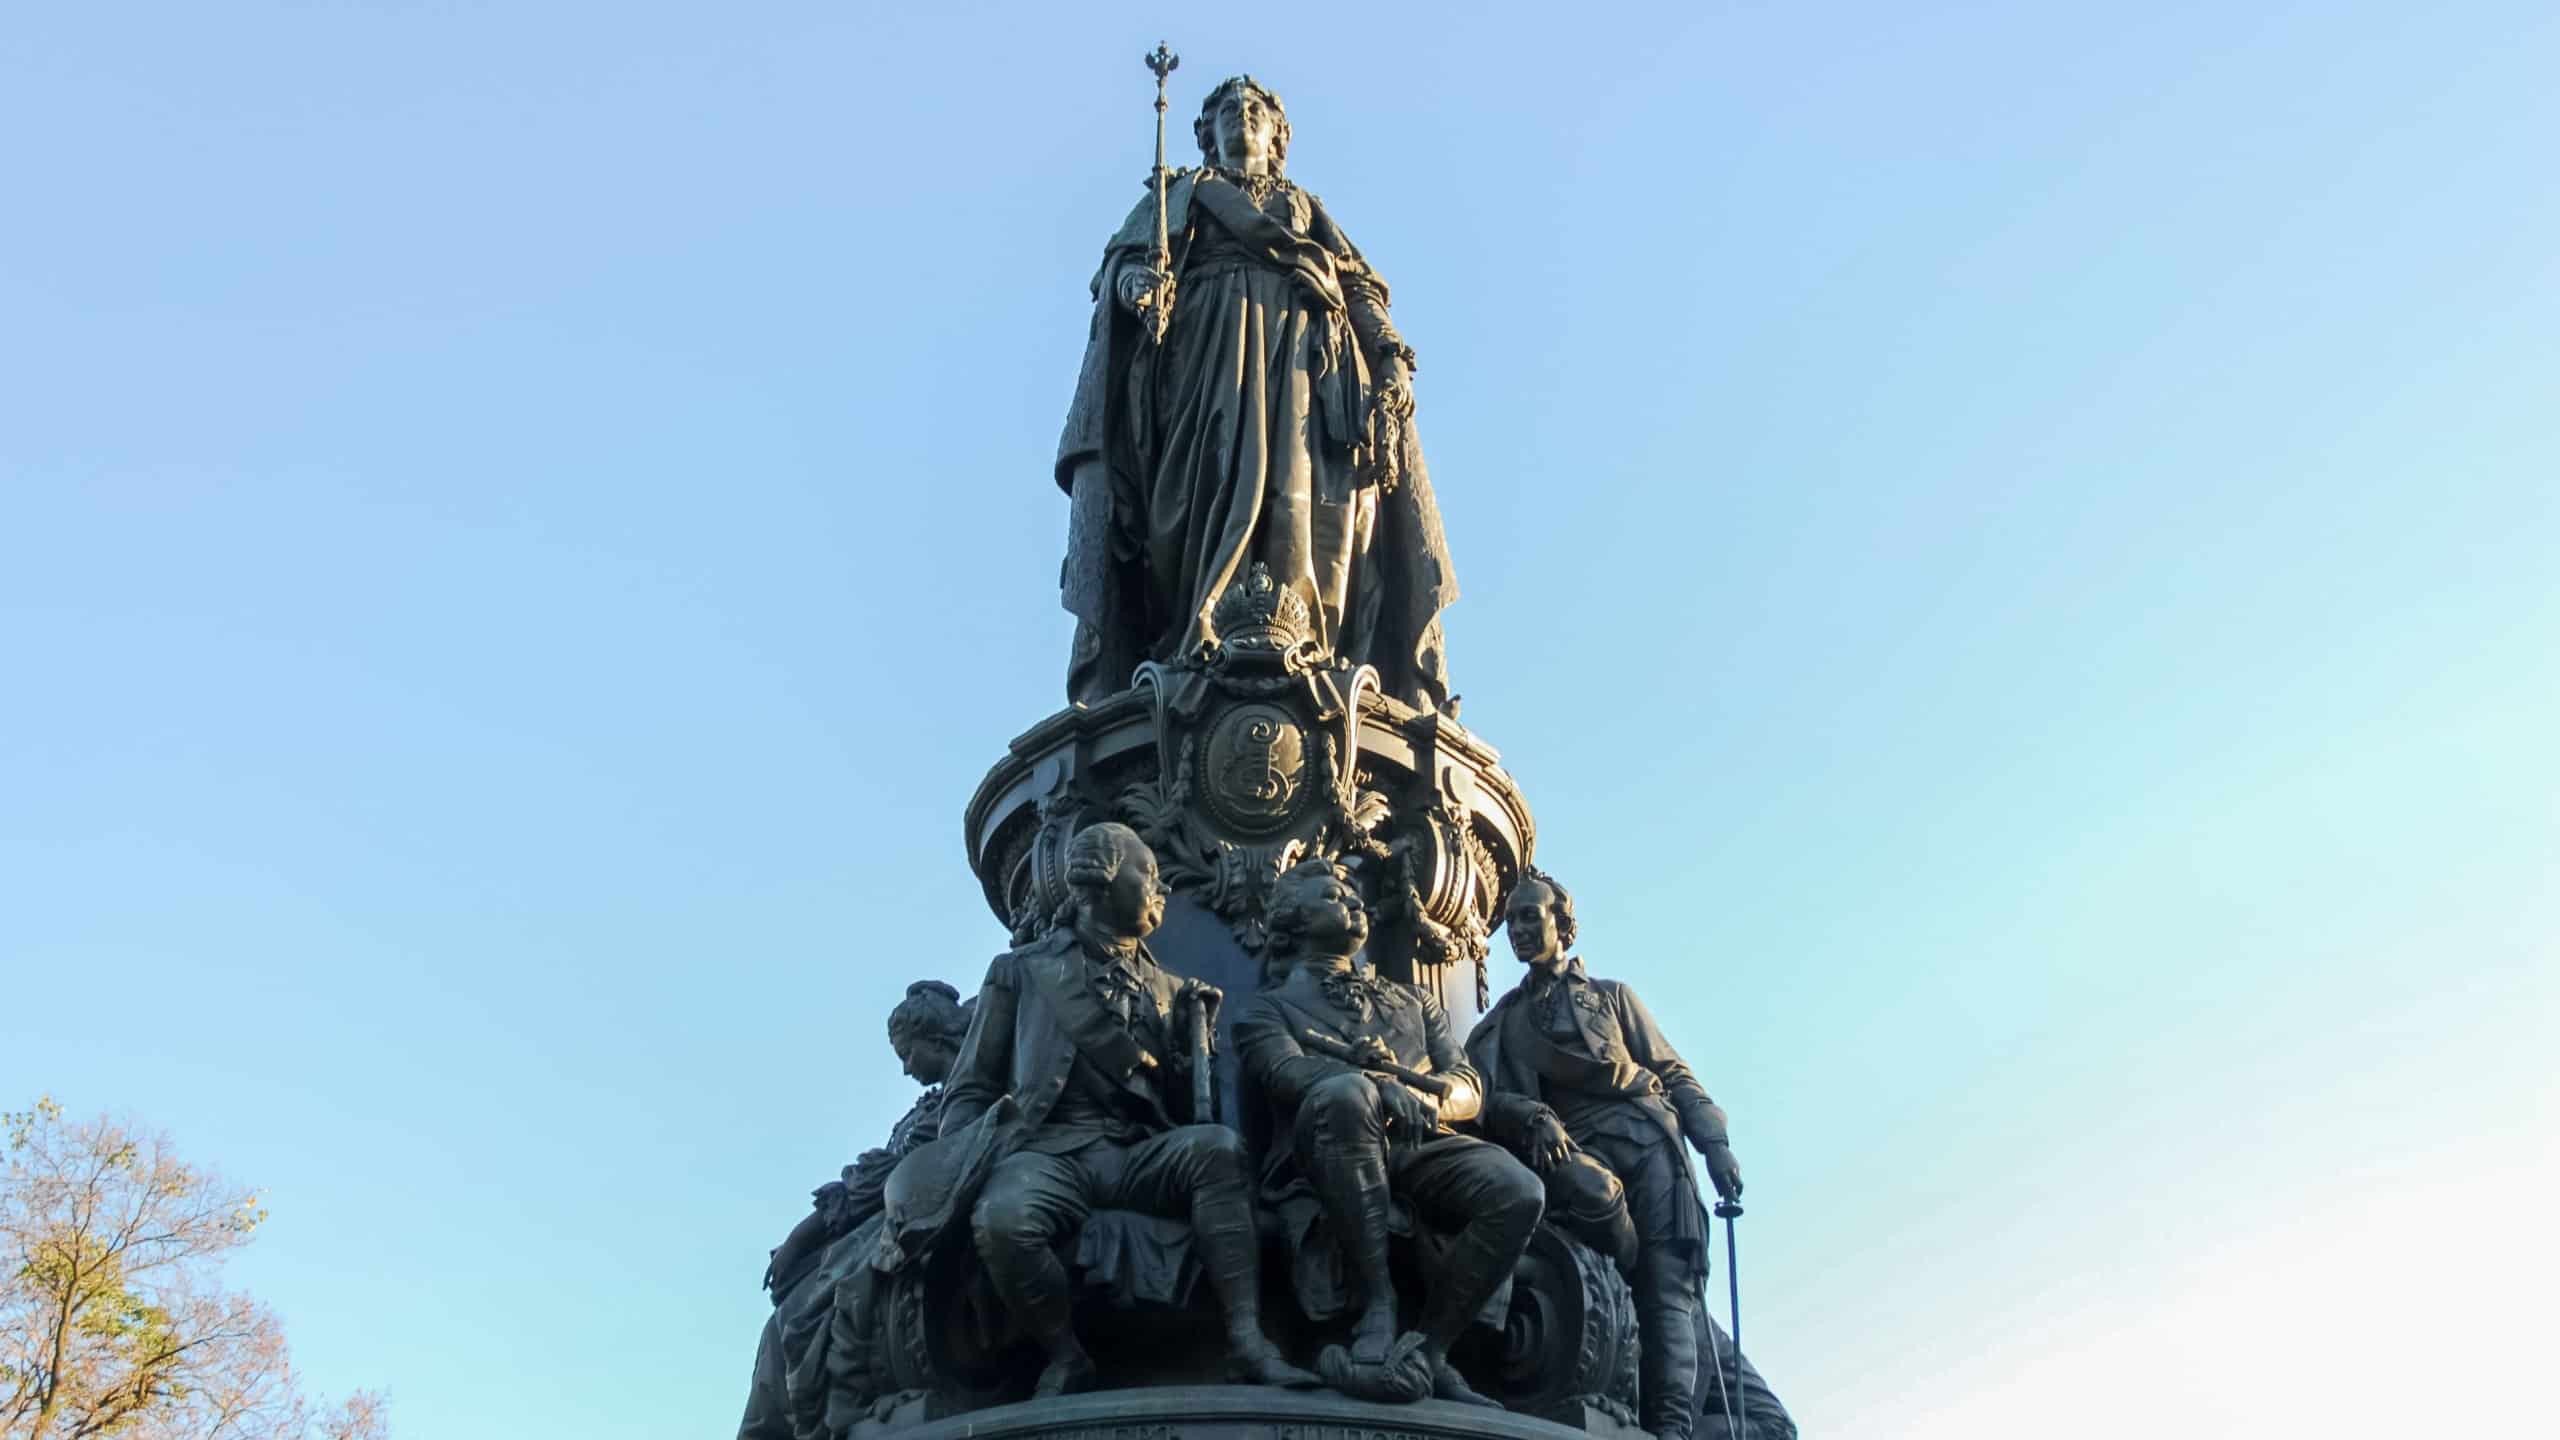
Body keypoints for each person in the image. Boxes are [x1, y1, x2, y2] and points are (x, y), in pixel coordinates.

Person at [1055, 75, 1458, 709]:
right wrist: (1139, 288)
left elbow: (1359, 289)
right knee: (1204, 488)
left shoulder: (1306, 209)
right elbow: (1128, 266)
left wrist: (1388, 358)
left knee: (1302, 500)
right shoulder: (1183, 194)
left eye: (1255, 112)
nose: (1243, 120)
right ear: (1207, 136)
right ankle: (1199, 635)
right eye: (1228, 113)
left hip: (1305, 366)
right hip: (1207, 359)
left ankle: (1307, 643)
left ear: (1277, 136)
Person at [938, 822, 1317, 1396]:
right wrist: (966, 1161)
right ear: (1103, 877)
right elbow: (969, 1088)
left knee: (1216, 1149)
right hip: (1046, 1151)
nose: (1161, 890)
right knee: (1003, 1218)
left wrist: (1196, 1045)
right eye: (1150, 875)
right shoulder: (1021, 971)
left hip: (1133, 1153)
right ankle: (1064, 1354)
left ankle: (1246, 1339)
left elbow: (1186, 1108)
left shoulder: (1172, 989)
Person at [1233, 859, 1543, 1405]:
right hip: (1327, 1149)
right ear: (1291, 919)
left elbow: (1467, 1086)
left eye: (1354, 896)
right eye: (1332, 895)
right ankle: (1380, 1303)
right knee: (1346, 1095)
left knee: (1520, 1191)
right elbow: (1285, 1074)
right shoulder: (1267, 1010)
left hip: (1422, 1143)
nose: (1353, 903)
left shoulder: (1414, 1000)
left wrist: (1422, 1096)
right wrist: (1373, 1083)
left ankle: (1430, 1348)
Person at [1467, 868, 1760, 1440]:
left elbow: (1673, 1073)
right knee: (1628, 1258)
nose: (1519, 930)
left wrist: (1715, 1145)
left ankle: (1670, 1429)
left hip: (1650, 1146)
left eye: (1531, 916)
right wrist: (1529, 1115)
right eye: (1509, 922)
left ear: (1562, 923)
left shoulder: (1612, 997)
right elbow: (1480, 1097)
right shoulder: (1500, 1024)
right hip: (1570, 1153)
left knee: (1669, 1285)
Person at [738, 980, 972, 1440]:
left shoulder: (965, 1098)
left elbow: (873, 1186)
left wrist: (802, 1239)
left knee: (805, 1317)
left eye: (909, 1054)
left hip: (917, 1220)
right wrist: (799, 1241)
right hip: (881, 1221)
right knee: (783, 1325)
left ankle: (836, 1405)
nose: (906, 1069)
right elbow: (859, 1191)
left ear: (937, 1038)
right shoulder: (928, 1106)